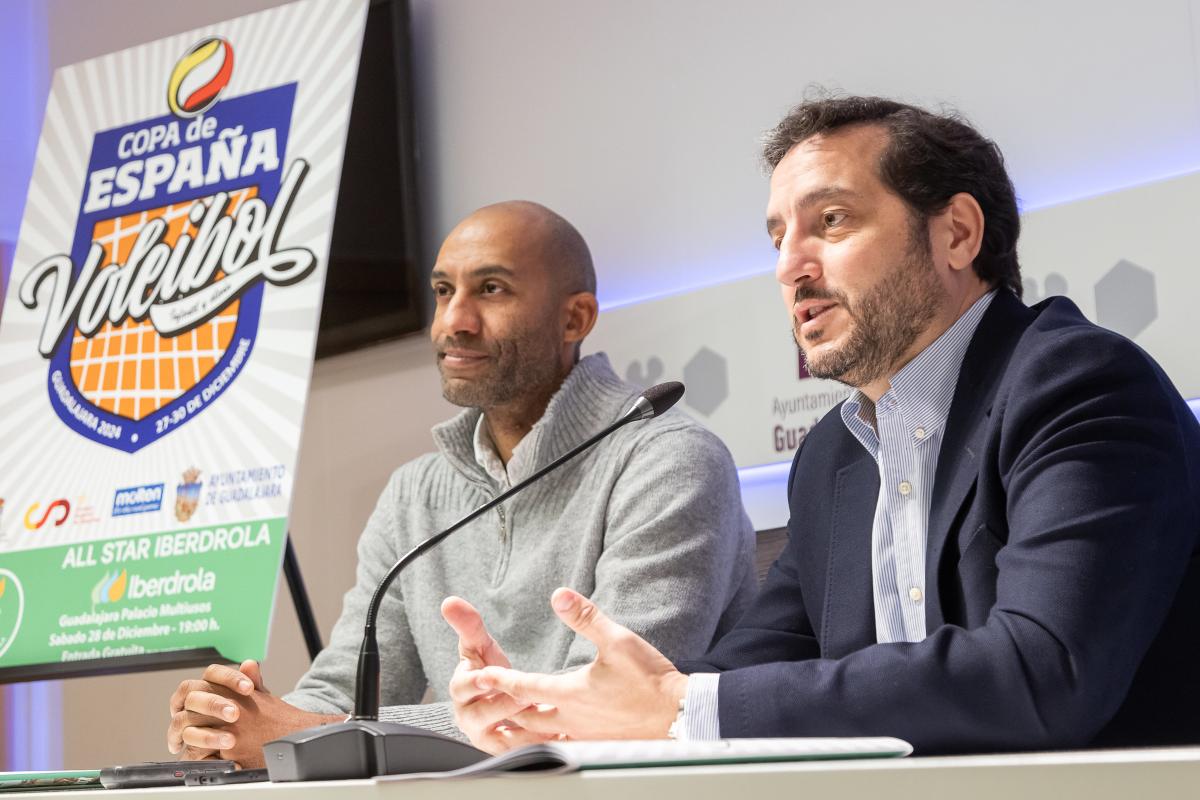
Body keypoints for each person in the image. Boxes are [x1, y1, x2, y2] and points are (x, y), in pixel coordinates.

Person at [444, 98, 1200, 755]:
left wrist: (677, 707)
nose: (789, 266)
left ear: (958, 235)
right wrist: (565, 707)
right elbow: (755, 664)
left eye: (830, 222)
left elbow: (1042, 672)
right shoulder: (834, 453)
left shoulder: (1079, 388)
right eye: (777, 236)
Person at [166, 200, 758, 766]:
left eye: (491, 289)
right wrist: (239, 721)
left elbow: (601, 711)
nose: (454, 322)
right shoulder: (415, 492)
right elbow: (348, 687)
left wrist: (311, 735)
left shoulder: (670, 461)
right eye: (444, 291)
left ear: (574, 318)